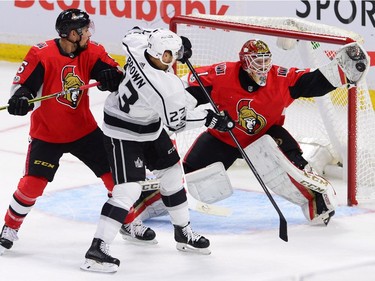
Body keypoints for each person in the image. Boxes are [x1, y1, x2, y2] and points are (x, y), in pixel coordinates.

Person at [115, 38, 369, 228]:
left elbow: (310, 83)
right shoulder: (222, 74)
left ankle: (318, 201)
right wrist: (177, 109)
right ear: (245, 63)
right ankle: (140, 204)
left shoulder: (279, 78)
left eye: (266, 62)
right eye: (257, 62)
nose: (263, 68)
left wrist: (341, 71)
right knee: (186, 178)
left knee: (295, 167)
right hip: (223, 138)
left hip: (266, 134)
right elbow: (189, 93)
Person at [80, 27, 233, 273]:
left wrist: (178, 45)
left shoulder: (139, 47)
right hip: (123, 131)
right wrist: (210, 119)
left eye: (174, 54)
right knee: (128, 191)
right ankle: (96, 250)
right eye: (168, 56)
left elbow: (133, 32)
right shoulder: (165, 89)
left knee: (173, 175)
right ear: (159, 55)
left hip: (148, 127)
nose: (172, 59)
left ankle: (183, 232)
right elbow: (177, 122)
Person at [0, 8, 124, 255]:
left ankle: (129, 222)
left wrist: (112, 77)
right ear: (72, 34)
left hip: (84, 131)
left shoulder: (92, 50)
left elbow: (112, 72)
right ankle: (9, 227)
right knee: (32, 186)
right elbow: (22, 87)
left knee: (117, 179)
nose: (89, 33)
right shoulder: (41, 53)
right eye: (85, 30)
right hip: (48, 134)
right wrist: (21, 99)